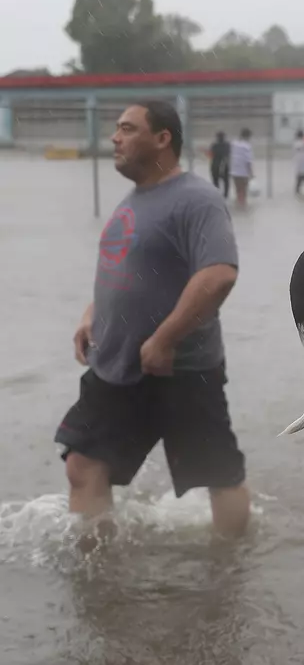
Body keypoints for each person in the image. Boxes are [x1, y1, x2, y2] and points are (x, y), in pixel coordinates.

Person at [55, 100, 250, 542]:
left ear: (163, 138)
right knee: (83, 464)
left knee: (219, 474)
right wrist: (92, 316)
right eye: (117, 129)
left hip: (180, 370)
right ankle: (101, 575)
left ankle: (230, 575)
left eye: (127, 128)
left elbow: (219, 274)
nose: (114, 138)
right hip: (117, 366)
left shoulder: (196, 199)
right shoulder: (134, 200)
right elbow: (125, 269)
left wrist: (165, 339)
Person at [229, 127, 254, 209]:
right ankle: (242, 205)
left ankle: (238, 203)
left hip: (234, 170)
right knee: (243, 189)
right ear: (248, 136)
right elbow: (248, 161)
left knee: (237, 189)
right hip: (243, 172)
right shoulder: (247, 146)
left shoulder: (234, 143)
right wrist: (251, 173)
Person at [209, 130, 230, 199]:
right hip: (224, 165)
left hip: (215, 165)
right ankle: (226, 195)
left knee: (215, 181)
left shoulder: (214, 145)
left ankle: (217, 195)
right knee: (226, 181)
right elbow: (228, 154)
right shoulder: (227, 145)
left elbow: (211, 155)